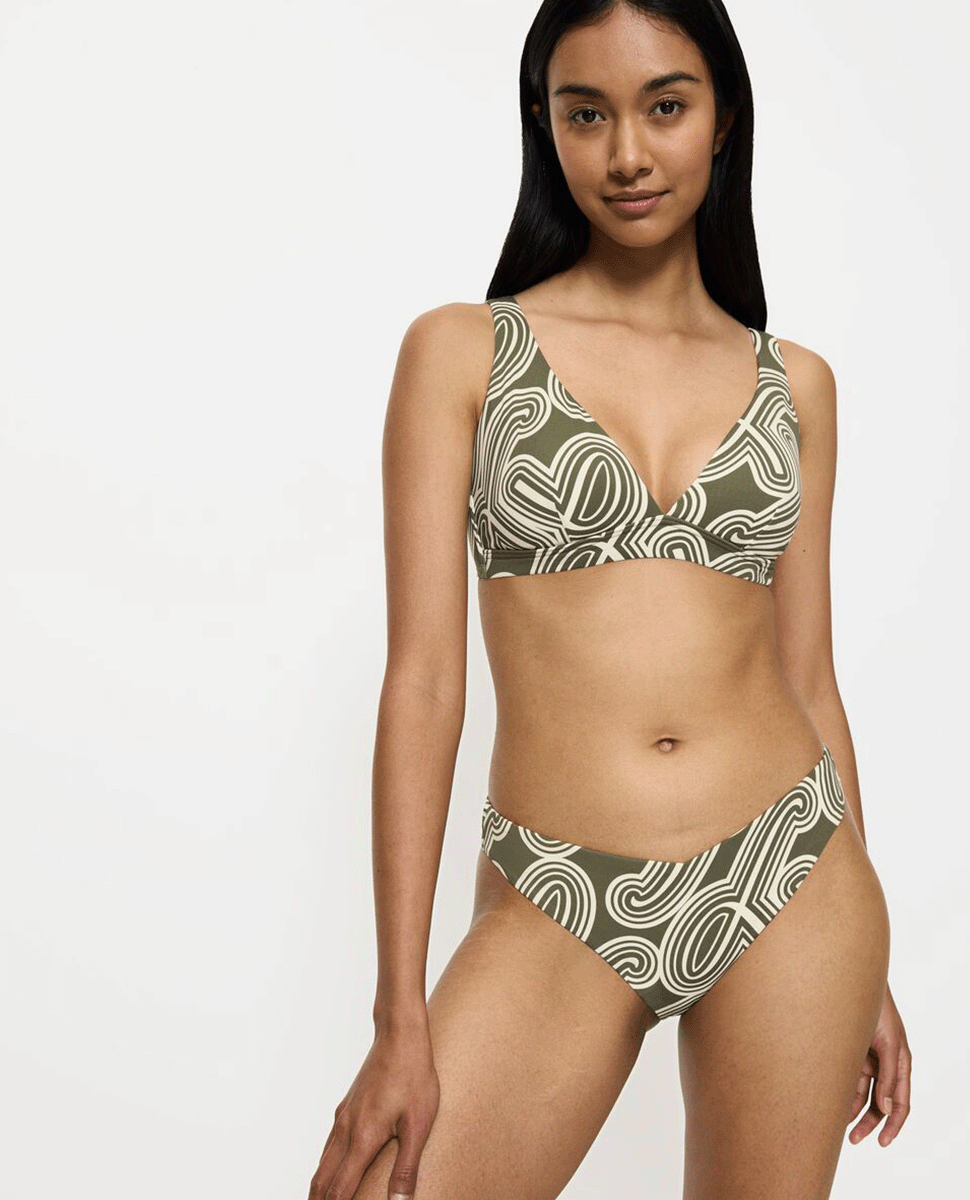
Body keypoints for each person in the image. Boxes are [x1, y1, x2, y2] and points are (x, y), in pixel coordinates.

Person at [309, 2, 911, 1197]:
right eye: (586, 115)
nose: (627, 153)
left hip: (791, 873)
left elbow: (808, 679)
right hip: (560, 886)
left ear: (722, 117)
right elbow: (424, 683)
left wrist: (869, 975)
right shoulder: (464, 354)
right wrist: (400, 1017)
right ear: (545, 126)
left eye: (664, 106)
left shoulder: (796, 385)